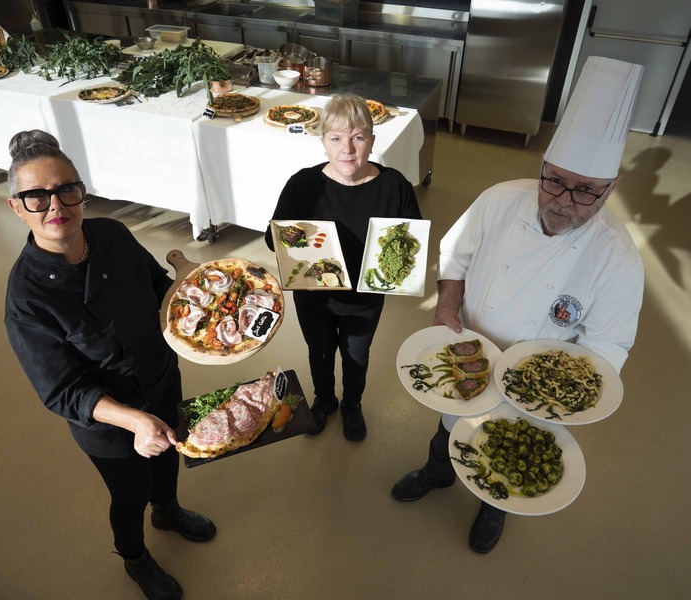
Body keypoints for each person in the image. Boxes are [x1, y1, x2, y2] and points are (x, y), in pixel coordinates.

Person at [391, 57, 645, 553]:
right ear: (543, 167)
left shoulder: (618, 260)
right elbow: (455, 254)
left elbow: (609, 344)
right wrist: (446, 309)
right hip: (470, 354)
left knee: (506, 450)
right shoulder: (499, 200)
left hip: (535, 389)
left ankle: (494, 509)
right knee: (448, 429)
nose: (564, 201)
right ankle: (437, 472)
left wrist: (550, 388)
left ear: (610, 189)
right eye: (554, 180)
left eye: (587, 191)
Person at [4, 130, 215, 600]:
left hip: (159, 375)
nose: (55, 204)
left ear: (82, 191)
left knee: (171, 456)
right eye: (36, 195)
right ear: (16, 207)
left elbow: (158, 286)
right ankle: (136, 558)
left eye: (66, 189)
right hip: (109, 419)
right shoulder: (27, 298)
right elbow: (61, 391)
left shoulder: (112, 235)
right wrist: (133, 419)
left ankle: (169, 510)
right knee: (128, 492)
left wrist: (201, 315)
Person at [265, 94, 422, 441]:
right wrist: (303, 241)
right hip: (315, 297)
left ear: (371, 141)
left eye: (357, 137)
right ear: (323, 142)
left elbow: (412, 241)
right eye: (335, 138)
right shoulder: (303, 185)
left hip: (365, 299)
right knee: (319, 352)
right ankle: (325, 400)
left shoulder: (394, 185)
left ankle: (353, 403)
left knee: (356, 356)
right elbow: (271, 238)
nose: (347, 149)